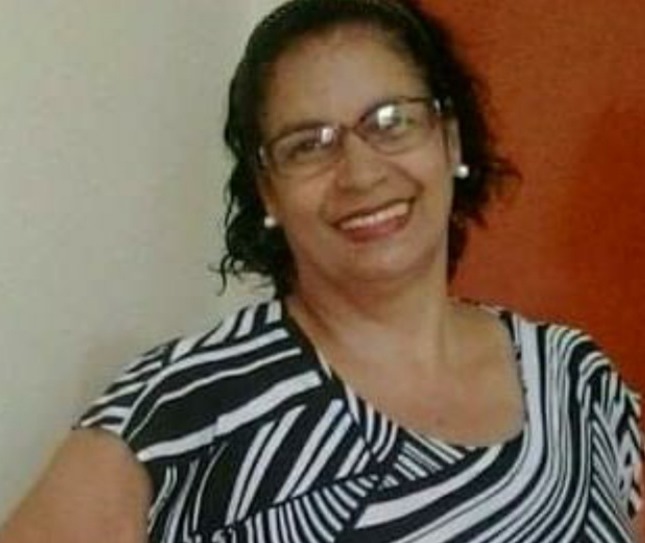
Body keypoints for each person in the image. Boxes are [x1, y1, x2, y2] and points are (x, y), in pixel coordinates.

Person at [1, 0, 642, 541]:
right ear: (268, 191)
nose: (360, 173)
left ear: (449, 140)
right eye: (308, 144)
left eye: (391, 122)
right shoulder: (181, 406)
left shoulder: (573, 379)